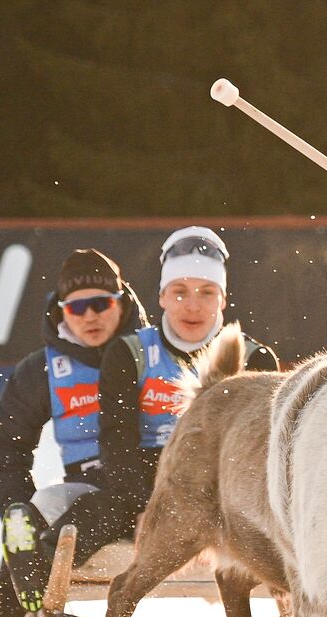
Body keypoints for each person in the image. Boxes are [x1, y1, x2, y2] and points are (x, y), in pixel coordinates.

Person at [0, 248, 148, 617]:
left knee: (59, 528)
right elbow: (6, 442)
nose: (91, 315)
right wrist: (13, 505)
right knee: (30, 520)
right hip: (89, 485)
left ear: (121, 302)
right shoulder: (44, 369)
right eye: (78, 306)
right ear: (63, 310)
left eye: (101, 303)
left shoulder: (152, 353)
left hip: (153, 486)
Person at [95, 226, 279, 544]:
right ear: (162, 297)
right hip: (147, 486)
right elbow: (117, 439)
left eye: (206, 292)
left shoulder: (254, 358)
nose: (192, 306)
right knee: (74, 521)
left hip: (226, 496)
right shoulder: (129, 353)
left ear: (222, 300)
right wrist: (142, 508)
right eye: (179, 291)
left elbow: (264, 455)